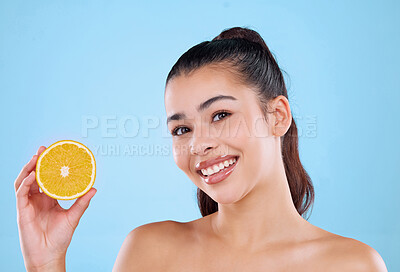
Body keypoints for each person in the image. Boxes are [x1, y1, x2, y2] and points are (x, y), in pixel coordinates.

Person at [15, 27, 387, 272]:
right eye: (182, 128)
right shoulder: (149, 252)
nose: (199, 143)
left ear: (276, 116)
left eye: (221, 114)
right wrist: (45, 263)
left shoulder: (352, 264)